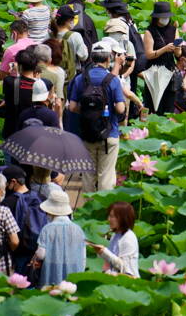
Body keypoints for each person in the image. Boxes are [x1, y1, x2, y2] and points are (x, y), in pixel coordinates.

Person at [67, 42, 125, 192]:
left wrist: (89, 113)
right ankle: (102, 211)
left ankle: (88, 209)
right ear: (108, 59)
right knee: (106, 175)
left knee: (88, 174)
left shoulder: (81, 78)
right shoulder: (113, 79)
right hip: (109, 133)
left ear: (92, 59)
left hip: (87, 133)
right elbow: (120, 108)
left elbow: (72, 107)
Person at [29, 188, 85, 287]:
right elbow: (83, 257)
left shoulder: (47, 229)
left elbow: (41, 254)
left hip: (52, 271)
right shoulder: (78, 230)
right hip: (74, 271)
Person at [141, 1, 181, 115]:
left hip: (169, 71)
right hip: (155, 72)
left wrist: (178, 48)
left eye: (167, 16)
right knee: (153, 105)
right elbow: (148, 54)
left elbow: (178, 55)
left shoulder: (174, 30)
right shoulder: (149, 31)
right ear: (156, 17)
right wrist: (164, 49)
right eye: (163, 17)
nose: (165, 19)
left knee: (168, 105)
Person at [94, 201, 139, 277]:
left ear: (122, 218)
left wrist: (104, 252)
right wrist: (100, 252)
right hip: (115, 278)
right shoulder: (115, 235)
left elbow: (124, 267)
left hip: (129, 282)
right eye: (109, 216)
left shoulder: (128, 238)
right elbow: (110, 262)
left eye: (112, 216)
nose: (108, 219)